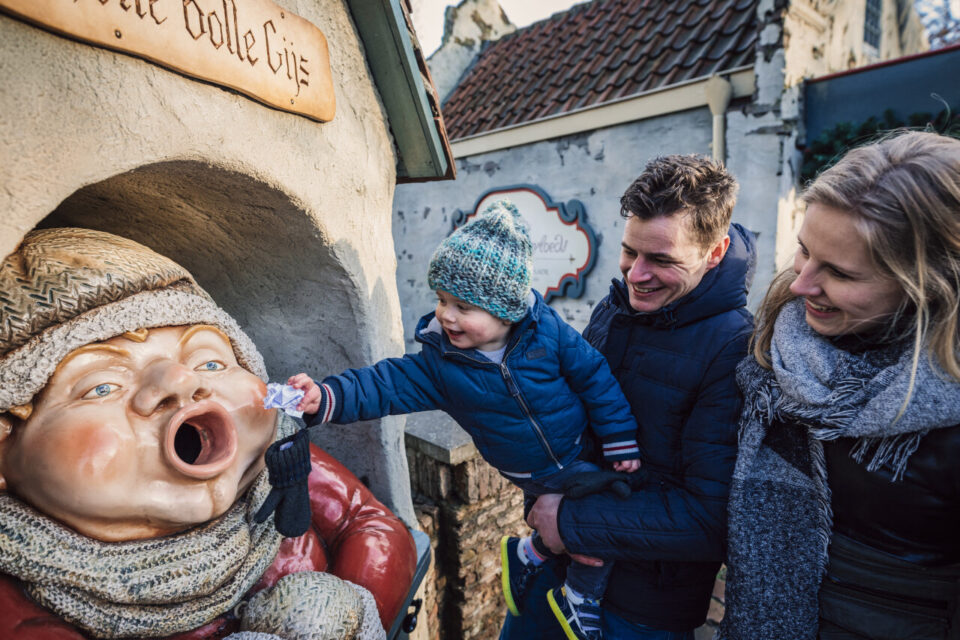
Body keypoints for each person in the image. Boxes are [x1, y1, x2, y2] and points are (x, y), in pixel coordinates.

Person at [0, 227, 416, 640]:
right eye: (102, 387)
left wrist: (350, 608)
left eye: (210, 363)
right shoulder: (25, 597)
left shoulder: (278, 462)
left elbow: (368, 523)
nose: (181, 380)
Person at [289, 200, 643, 640]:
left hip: (578, 451)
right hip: (531, 470)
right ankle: (580, 597)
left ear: (506, 310)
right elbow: (383, 385)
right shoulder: (442, 366)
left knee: (599, 513)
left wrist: (619, 438)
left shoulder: (548, 332)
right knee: (598, 524)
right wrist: (324, 396)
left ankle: (529, 555)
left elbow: (595, 377)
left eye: (462, 305)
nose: (446, 315)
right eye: (441, 300)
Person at [500, 154, 756, 639]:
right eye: (629, 252)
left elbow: (710, 518)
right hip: (550, 570)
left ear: (715, 252)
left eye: (661, 260)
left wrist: (569, 522)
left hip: (638, 611)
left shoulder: (736, 349)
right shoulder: (614, 308)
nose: (636, 275)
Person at [719, 130, 960, 640]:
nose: (800, 283)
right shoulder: (776, 345)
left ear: (931, 284)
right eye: (804, 250)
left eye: (841, 273)